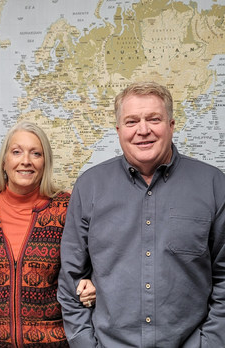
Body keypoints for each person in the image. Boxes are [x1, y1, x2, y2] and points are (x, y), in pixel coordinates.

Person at [58, 81, 225, 347]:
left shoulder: (214, 185)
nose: (143, 130)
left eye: (154, 119)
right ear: (119, 130)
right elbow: (71, 279)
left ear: (171, 125)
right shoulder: (89, 186)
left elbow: (223, 277)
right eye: (132, 121)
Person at [0, 121, 95, 347]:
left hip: (55, 342)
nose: (25, 161)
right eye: (16, 152)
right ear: (4, 161)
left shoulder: (65, 208)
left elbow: (97, 262)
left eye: (36, 153)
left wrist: (92, 283)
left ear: (44, 162)